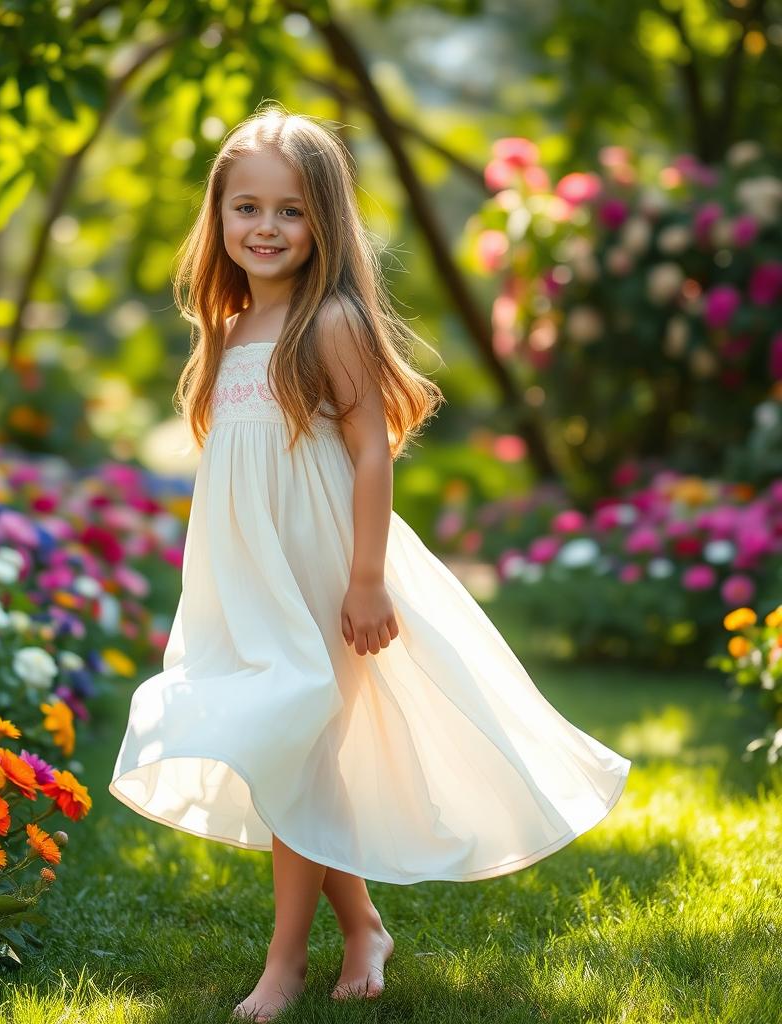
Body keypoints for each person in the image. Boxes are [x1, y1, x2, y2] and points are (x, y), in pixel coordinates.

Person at [108, 103, 631, 1022]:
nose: (264, 228)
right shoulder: (229, 332)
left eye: (290, 211)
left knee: (298, 743)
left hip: (323, 562)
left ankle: (283, 965)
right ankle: (363, 928)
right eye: (246, 208)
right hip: (251, 570)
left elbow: (370, 453)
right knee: (294, 748)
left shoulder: (332, 323)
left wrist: (364, 576)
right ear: (218, 216)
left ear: (324, 222)